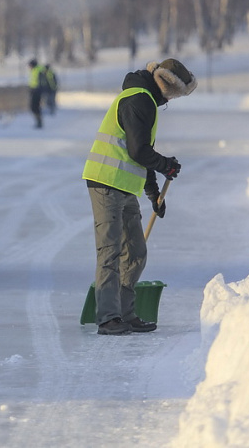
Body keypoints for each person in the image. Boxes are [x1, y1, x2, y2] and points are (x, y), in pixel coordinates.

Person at [81, 58, 197, 335]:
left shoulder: (145, 100)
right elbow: (138, 152)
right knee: (110, 252)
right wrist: (166, 164)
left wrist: (153, 192)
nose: (173, 100)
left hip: (124, 185)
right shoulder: (139, 100)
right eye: (176, 95)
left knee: (135, 252)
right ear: (168, 88)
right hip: (105, 182)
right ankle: (108, 318)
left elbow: (140, 152)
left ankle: (124, 312)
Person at [28, 59, 46, 128]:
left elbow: (41, 81)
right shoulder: (34, 70)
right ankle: (38, 121)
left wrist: (38, 89)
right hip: (34, 90)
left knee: (35, 107)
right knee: (34, 107)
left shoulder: (38, 70)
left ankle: (39, 122)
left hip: (37, 91)